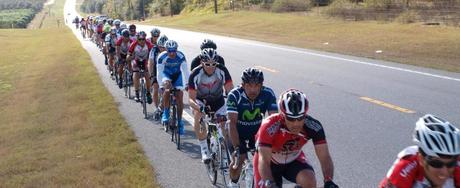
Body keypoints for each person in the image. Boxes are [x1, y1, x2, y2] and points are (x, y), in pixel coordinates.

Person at [254, 89, 338, 188]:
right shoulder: (269, 125)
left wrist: (328, 181)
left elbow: (324, 157)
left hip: (293, 159)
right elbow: (263, 160)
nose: (296, 123)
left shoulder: (314, 127)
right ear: (282, 115)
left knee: (309, 180)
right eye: (290, 118)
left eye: (300, 118)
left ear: (305, 114)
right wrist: (270, 183)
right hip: (269, 162)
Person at [227, 67, 278, 187]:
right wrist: (237, 148)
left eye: (257, 86)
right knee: (239, 159)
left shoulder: (268, 94)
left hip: (255, 133)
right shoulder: (234, 95)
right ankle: (233, 183)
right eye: (249, 86)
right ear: (243, 85)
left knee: (266, 160)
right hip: (236, 133)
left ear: (261, 85)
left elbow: (275, 120)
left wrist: (273, 144)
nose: (253, 90)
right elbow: (232, 123)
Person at [380, 114, 460, 188]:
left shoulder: (458, 165)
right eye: (436, 163)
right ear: (421, 158)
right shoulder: (407, 165)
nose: (444, 172)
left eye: (451, 164)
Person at [188, 48, 234, 162]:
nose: (210, 67)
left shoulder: (222, 70)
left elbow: (231, 92)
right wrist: (199, 108)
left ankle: (224, 150)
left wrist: (232, 105)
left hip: (218, 100)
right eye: (207, 64)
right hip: (200, 101)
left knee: (224, 125)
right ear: (202, 63)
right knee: (199, 116)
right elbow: (190, 99)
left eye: (213, 64)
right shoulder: (195, 73)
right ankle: (204, 148)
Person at [157, 40, 189, 135]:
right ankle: (166, 112)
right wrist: (160, 85)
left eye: (174, 50)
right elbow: (159, 73)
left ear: (176, 49)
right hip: (166, 75)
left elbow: (185, 71)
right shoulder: (162, 57)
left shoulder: (181, 56)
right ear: (166, 50)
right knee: (167, 87)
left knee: (180, 95)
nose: (172, 53)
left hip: (177, 76)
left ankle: (180, 122)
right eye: (169, 51)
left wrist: (187, 84)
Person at [127, 31, 154, 104]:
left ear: (145, 39)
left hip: (145, 61)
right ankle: (137, 93)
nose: (142, 41)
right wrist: (129, 57)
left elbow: (154, 53)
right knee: (135, 74)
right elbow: (128, 54)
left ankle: (148, 93)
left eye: (143, 39)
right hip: (136, 61)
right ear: (137, 39)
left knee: (147, 75)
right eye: (140, 39)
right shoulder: (133, 44)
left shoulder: (149, 44)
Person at [148, 34, 168, 119]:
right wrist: (151, 75)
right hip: (156, 70)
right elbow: (151, 63)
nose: (163, 49)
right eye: (161, 47)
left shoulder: (171, 50)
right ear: (158, 45)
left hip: (167, 71)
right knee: (156, 88)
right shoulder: (154, 50)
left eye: (164, 47)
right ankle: (157, 108)